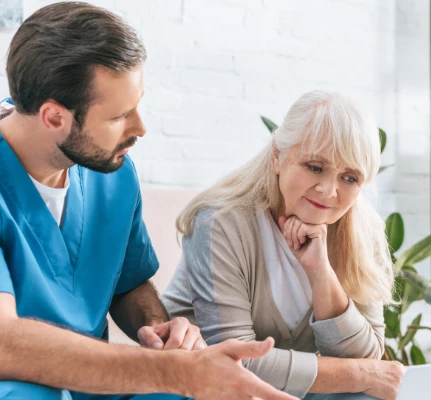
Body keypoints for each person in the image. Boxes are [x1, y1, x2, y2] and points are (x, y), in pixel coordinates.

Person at [0, 3, 295, 400]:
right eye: (119, 117)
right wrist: (177, 373)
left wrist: (159, 329)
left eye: (137, 107)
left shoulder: (112, 172)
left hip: (84, 380)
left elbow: (127, 283)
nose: (141, 128)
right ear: (54, 117)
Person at [163, 91, 405, 399]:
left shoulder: (361, 228)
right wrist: (357, 375)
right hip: (207, 388)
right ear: (278, 155)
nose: (329, 191)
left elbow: (367, 356)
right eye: (315, 167)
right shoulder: (221, 221)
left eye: (349, 178)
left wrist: (321, 274)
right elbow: (235, 361)